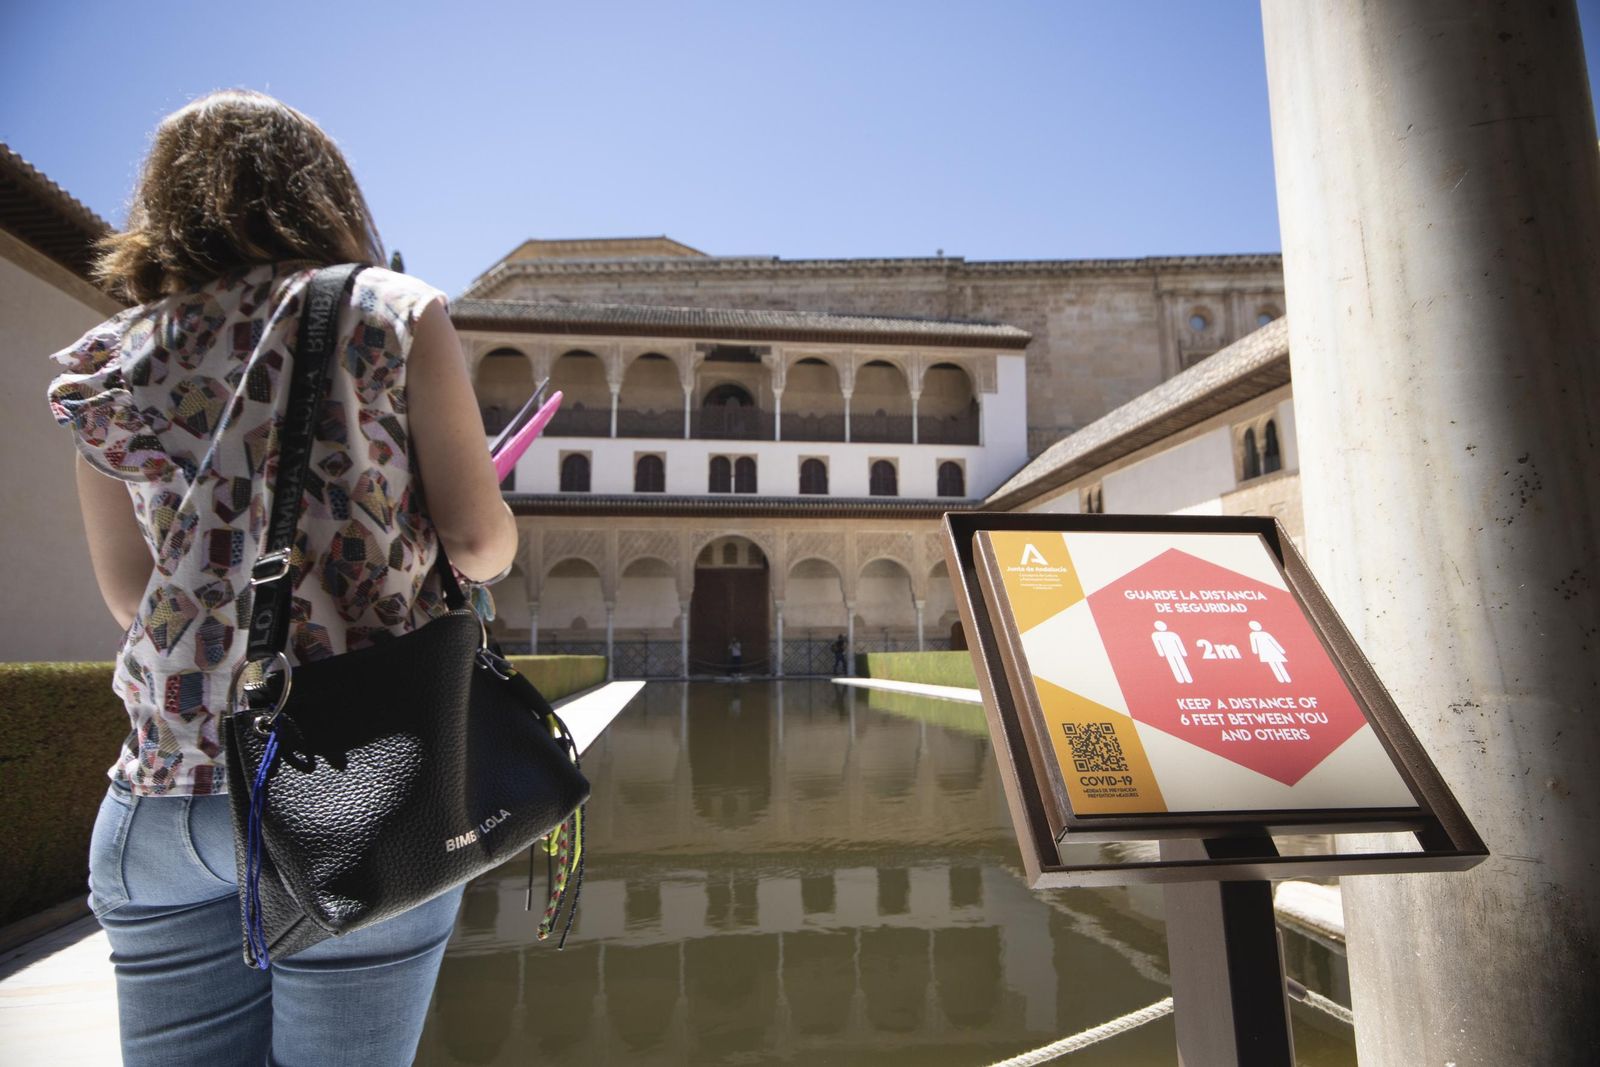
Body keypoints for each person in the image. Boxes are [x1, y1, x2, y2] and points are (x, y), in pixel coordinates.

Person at [45, 89, 518, 1067]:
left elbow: (134, 599)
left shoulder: (108, 362)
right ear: (326, 195)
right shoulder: (387, 312)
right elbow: (477, 543)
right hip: (357, 786)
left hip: (161, 798)